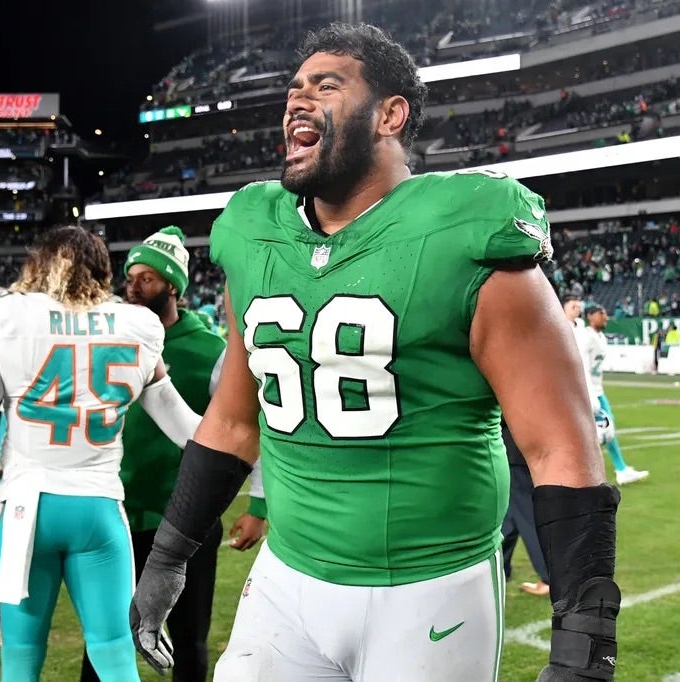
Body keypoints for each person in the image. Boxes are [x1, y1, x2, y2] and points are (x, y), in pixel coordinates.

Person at [130, 23, 621, 682]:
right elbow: (233, 422)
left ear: (390, 115)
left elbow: (559, 447)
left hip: (429, 590)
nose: (297, 101)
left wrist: (585, 640)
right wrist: (168, 555)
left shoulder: (465, 232)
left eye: (326, 86)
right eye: (294, 89)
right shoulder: (255, 234)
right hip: (286, 579)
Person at [0, 226, 202, 682]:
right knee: (115, 656)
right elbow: (187, 429)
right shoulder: (136, 326)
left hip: (27, 511)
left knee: (21, 658)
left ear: (40, 264)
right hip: (99, 510)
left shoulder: (8, 317)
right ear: (103, 271)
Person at [80, 226, 229, 682]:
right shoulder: (112, 341)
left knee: (188, 639)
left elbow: (240, 426)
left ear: (173, 287)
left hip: (187, 518)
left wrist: (258, 504)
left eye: (147, 278)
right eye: (131, 278)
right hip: (119, 513)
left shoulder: (211, 351)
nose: (134, 286)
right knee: (106, 637)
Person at [578, 305, 649, 485]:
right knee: (602, 430)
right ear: (590, 316)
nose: (606, 317)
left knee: (606, 428)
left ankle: (620, 469)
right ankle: (610, 470)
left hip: (598, 389)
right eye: (601, 313)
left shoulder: (600, 337)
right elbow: (583, 367)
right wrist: (590, 395)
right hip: (590, 391)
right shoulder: (586, 338)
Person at [500, 420, 550, 597]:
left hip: (515, 448)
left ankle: (549, 578)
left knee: (526, 514)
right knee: (510, 515)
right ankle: (501, 568)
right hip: (529, 447)